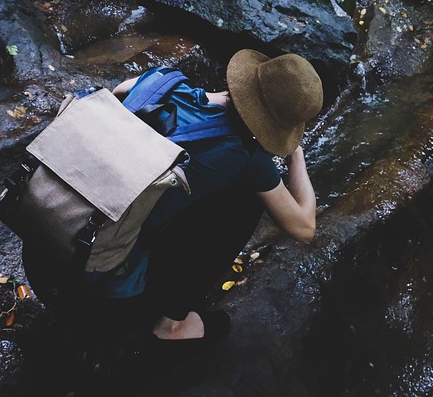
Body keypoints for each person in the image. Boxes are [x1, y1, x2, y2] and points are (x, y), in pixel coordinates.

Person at [22, 49, 322, 353]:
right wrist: (296, 154)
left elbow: (117, 91)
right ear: (280, 127)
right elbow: (304, 227)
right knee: (246, 203)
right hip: (100, 303)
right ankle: (172, 325)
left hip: (40, 249)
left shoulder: (161, 80)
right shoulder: (244, 156)